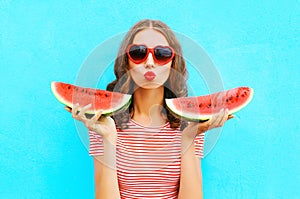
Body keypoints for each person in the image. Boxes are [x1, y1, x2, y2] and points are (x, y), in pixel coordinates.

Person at [69, 19, 231, 199]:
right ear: (126, 62)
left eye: (162, 54)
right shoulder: (104, 123)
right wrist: (108, 138)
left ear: (172, 62)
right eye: (138, 53)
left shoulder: (191, 125)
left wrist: (188, 138)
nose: (150, 62)